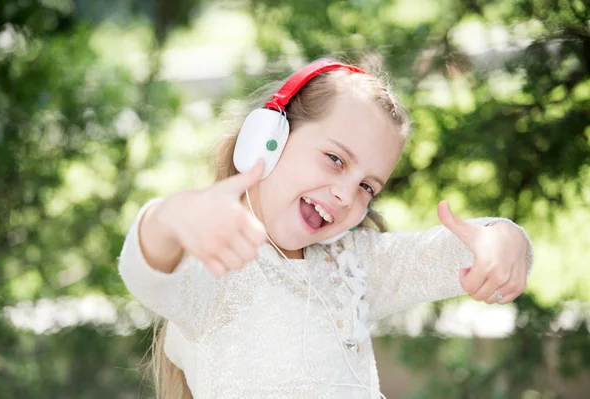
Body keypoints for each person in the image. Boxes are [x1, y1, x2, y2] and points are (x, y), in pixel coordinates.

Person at [118, 59, 534, 399]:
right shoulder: (217, 262)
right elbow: (146, 269)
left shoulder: (353, 265)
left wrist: (505, 240)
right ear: (270, 138)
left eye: (367, 186)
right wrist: (174, 216)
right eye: (335, 159)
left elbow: (449, 253)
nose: (344, 194)